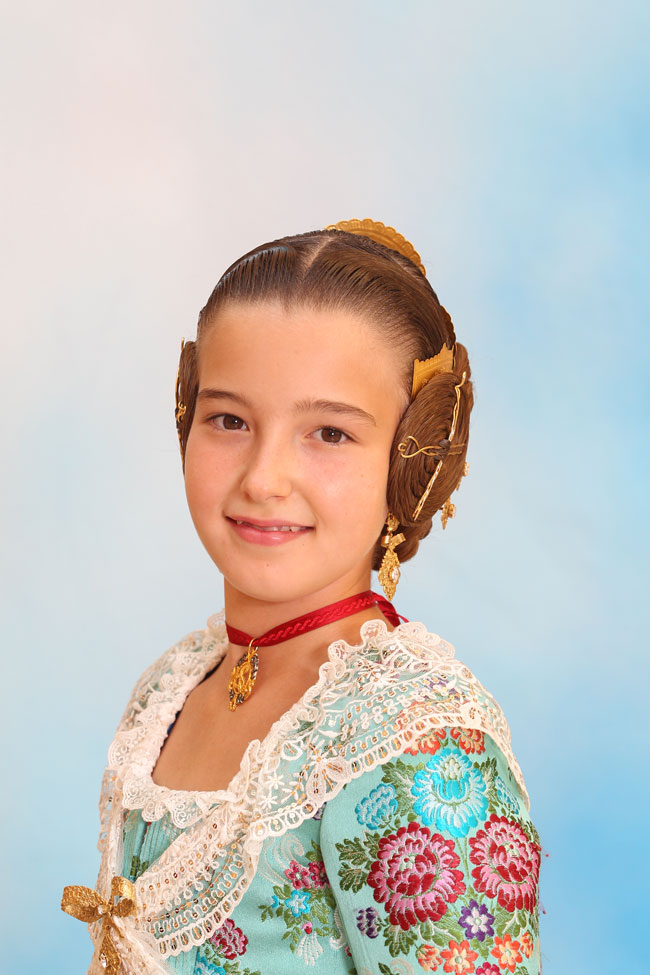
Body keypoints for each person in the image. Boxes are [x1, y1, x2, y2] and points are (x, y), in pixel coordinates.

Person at [62, 219, 542, 975]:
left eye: (329, 433)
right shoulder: (170, 689)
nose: (263, 477)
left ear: (412, 460)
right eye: (229, 420)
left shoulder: (417, 741)